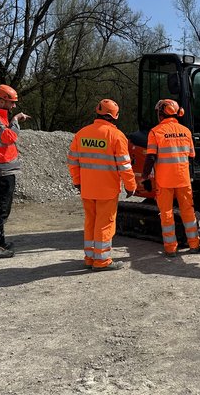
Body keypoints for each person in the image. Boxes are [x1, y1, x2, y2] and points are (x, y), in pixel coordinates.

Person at [67, 99, 137, 271]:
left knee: (90, 222)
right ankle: (102, 261)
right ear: (114, 116)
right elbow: (124, 165)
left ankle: (90, 257)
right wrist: (130, 186)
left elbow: (72, 161)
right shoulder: (116, 136)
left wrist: (77, 181)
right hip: (107, 190)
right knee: (104, 224)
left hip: (87, 188)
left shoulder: (82, 134)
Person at [140, 99, 200, 257]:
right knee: (188, 211)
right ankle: (194, 245)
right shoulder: (186, 131)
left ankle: (170, 249)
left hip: (165, 181)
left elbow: (151, 157)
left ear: (161, 113)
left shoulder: (155, 132)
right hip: (183, 179)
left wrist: (144, 177)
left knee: (166, 214)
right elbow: (192, 156)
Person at [0, 84, 30, 258]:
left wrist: (13, 120)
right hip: (0, 170)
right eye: (11, 102)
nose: (13, 105)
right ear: (1, 101)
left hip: (4, 169)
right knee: (0, 208)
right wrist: (15, 120)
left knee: (3, 208)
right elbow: (10, 137)